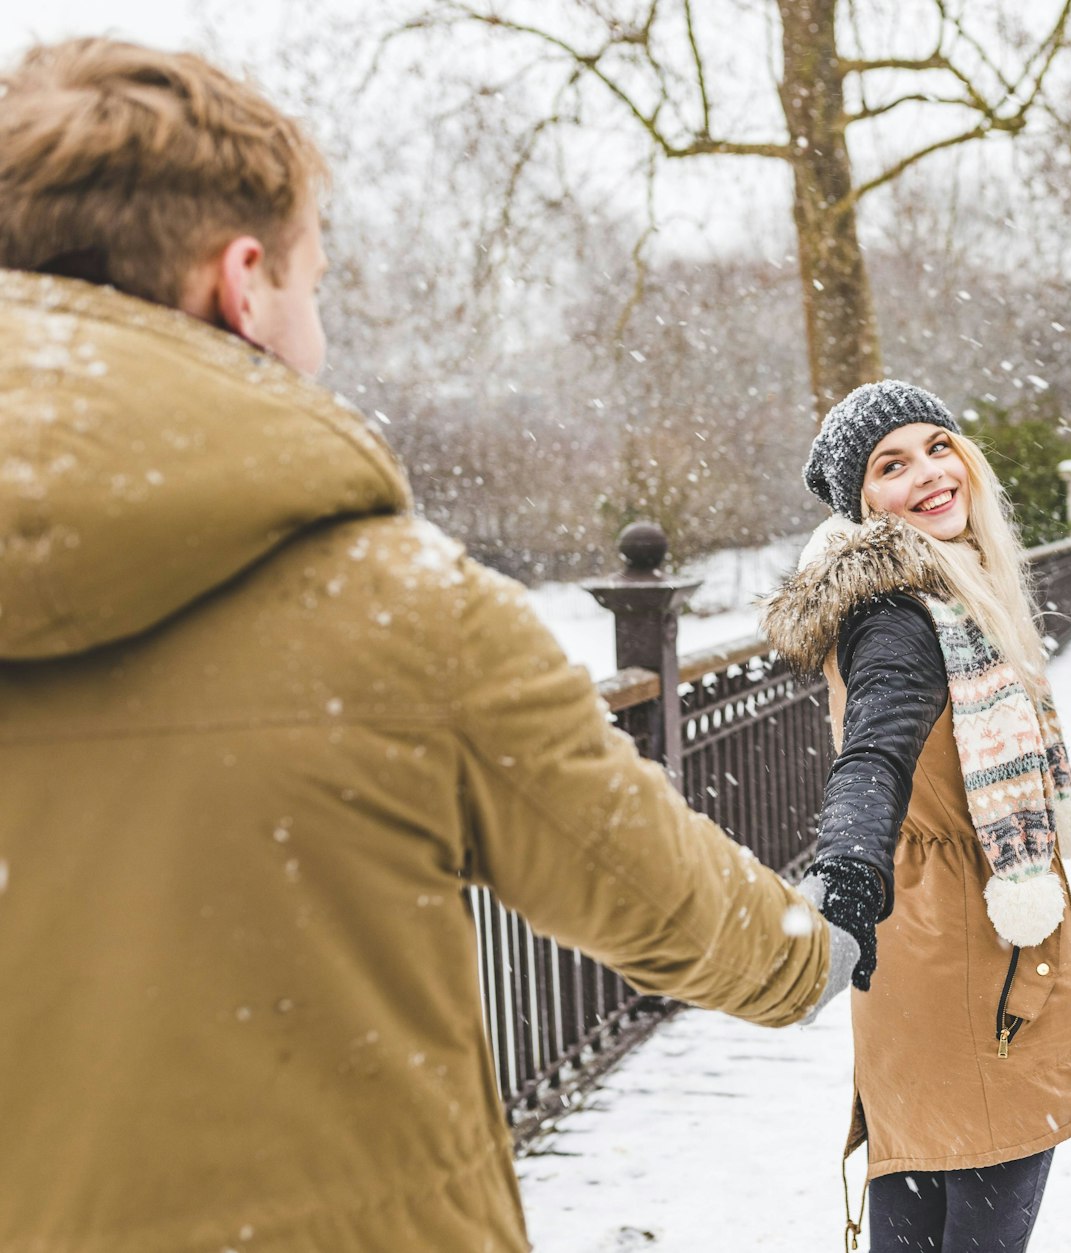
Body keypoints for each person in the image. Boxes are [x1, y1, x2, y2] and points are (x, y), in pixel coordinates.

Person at [0, 38, 854, 1252]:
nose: (316, 330)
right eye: (312, 281)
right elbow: (647, 882)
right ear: (241, 284)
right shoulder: (399, 612)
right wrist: (811, 954)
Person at [763, 381, 1071, 1251]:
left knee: (917, 1219)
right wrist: (848, 864)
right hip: (967, 956)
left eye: (937, 445)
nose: (930, 473)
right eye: (892, 465)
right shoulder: (898, 612)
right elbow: (876, 745)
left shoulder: (951, 584)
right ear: (864, 503)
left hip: (926, 959)